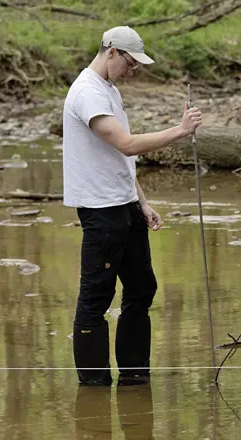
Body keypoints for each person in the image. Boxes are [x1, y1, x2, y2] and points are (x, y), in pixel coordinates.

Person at [63, 25, 203, 386]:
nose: (132, 71)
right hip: (100, 209)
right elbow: (126, 144)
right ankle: (94, 387)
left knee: (142, 289)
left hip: (125, 204)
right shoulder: (87, 92)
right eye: (130, 63)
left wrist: (141, 201)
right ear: (111, 52)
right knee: (96, 296)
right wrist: (180, 130)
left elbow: (118, 158)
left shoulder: (108, 89)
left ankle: (135, 376)